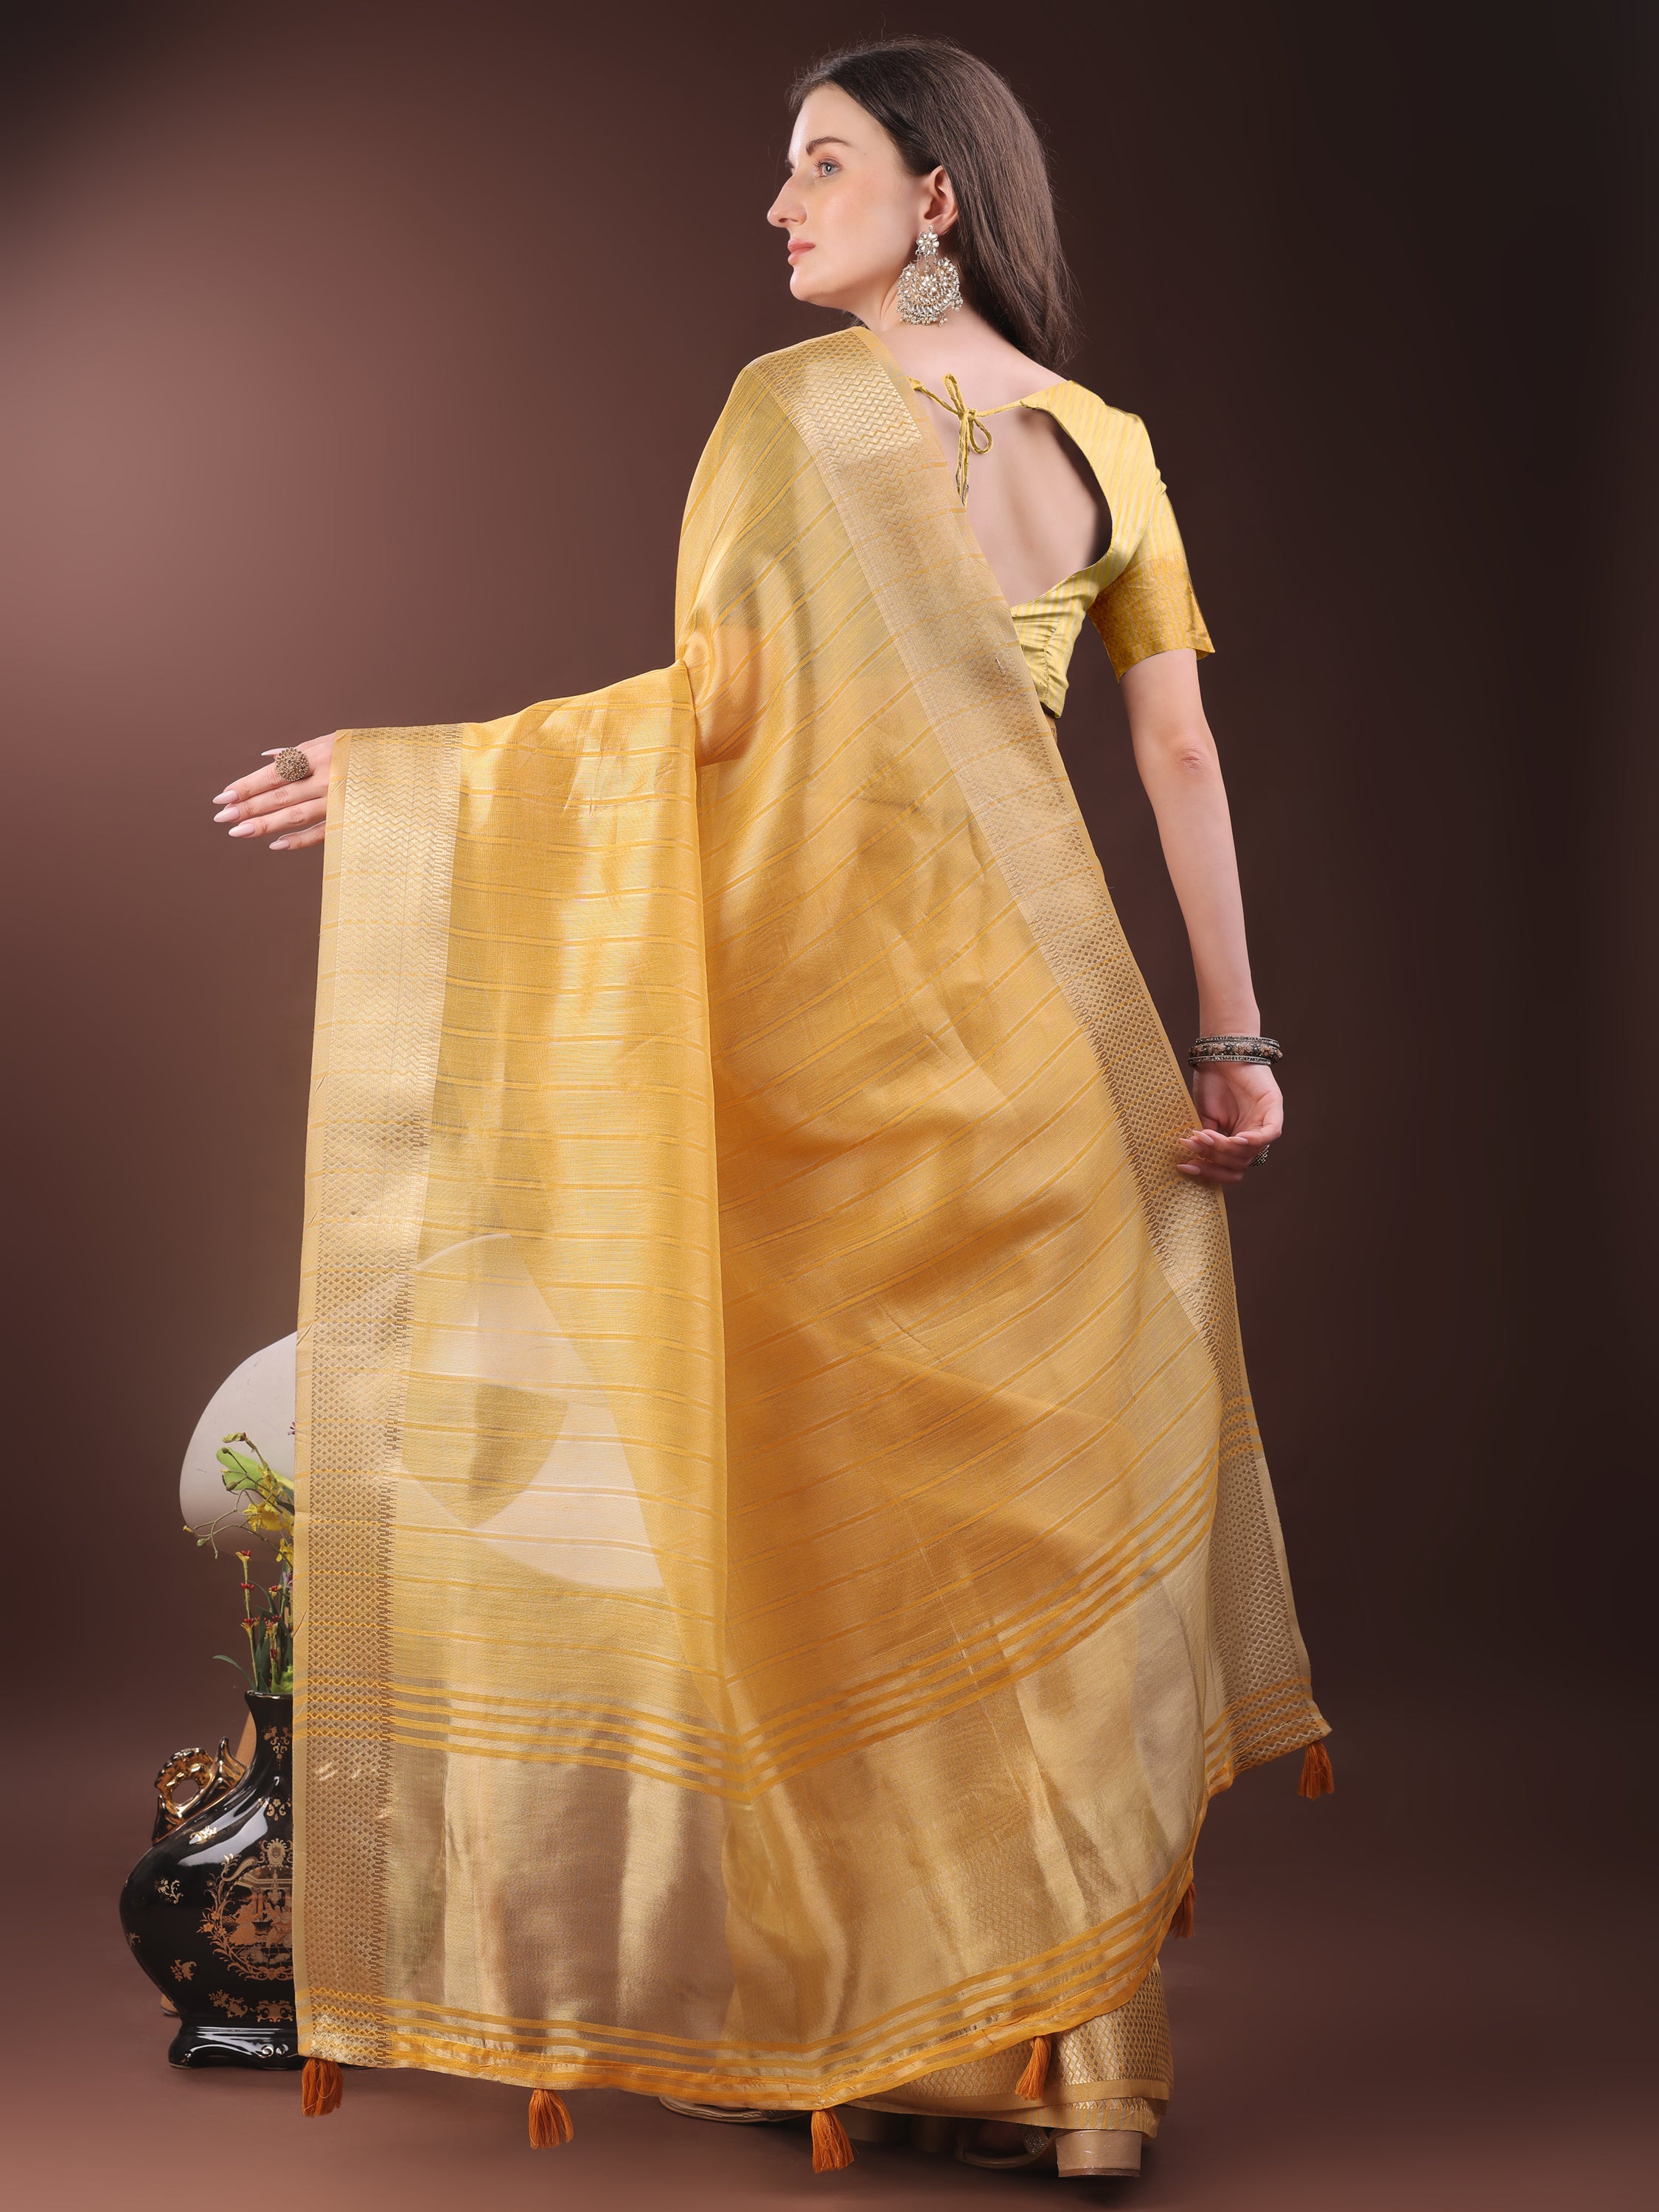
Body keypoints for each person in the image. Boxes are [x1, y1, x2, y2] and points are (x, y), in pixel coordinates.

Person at [210, 37, 1328, 2185]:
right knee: (1034, 1555)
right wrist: (1235, 1046)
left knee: (855, 1550)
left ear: (937, 196)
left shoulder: (792, 412)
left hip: (840, 1066)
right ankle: (1081, 2075)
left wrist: (422, 781)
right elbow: (1178, 757)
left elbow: (716, 715)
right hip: (1048, 1062)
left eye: (822, 162)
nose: (779, 202)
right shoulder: (1107, 443)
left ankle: (911, 2029)